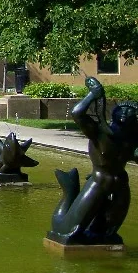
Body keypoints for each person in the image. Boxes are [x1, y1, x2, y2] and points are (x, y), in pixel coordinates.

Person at [49, 76, 138, 245]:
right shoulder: (100, 133)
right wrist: (93, 95)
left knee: (109, 231)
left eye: (131, 111)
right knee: (69, 230)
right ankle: (69, 193)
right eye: (122, 109)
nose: (125, 113)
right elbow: (77, 113)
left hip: (120, 184)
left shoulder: (132, 139)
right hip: (98, 182)